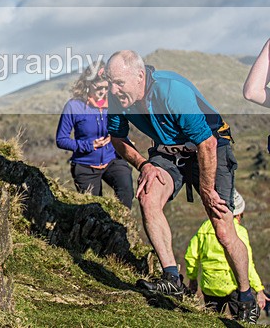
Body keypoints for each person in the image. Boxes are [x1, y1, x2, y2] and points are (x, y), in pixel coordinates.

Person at [105, 50, 259, 322]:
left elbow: (206, 143)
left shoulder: (171, 91)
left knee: (222, 227)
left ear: (139, 76)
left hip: (210, 146)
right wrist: (144, 165)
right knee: (148, 196)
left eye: (119, 82)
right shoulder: (117, 98)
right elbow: (117, 138)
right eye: (111, 82)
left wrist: (208, 190)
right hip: (168, 151)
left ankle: (246, 296)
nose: (114, 90)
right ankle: (171, 278)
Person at [55, 61, 133, 208]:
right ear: (87, 84)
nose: (103, 93)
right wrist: (88, 145)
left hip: (112, 160)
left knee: (126, 190)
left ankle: (123, 227)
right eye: (98, 88)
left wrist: (124, 141)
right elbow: (61, 140)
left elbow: (120, 129)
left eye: (106, 88)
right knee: (94, 210)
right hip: (85, 166)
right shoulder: (74, 106)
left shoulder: (114, 104)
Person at [185, 191, 267, 318]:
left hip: (209, 286)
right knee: (240, 320)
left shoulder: (205, 228)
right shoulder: (239, 232)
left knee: (211, 319)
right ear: (238, 215)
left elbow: (191, 256)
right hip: (233, 285)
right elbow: (247, 264)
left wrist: (192, 278)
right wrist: (259, 289)